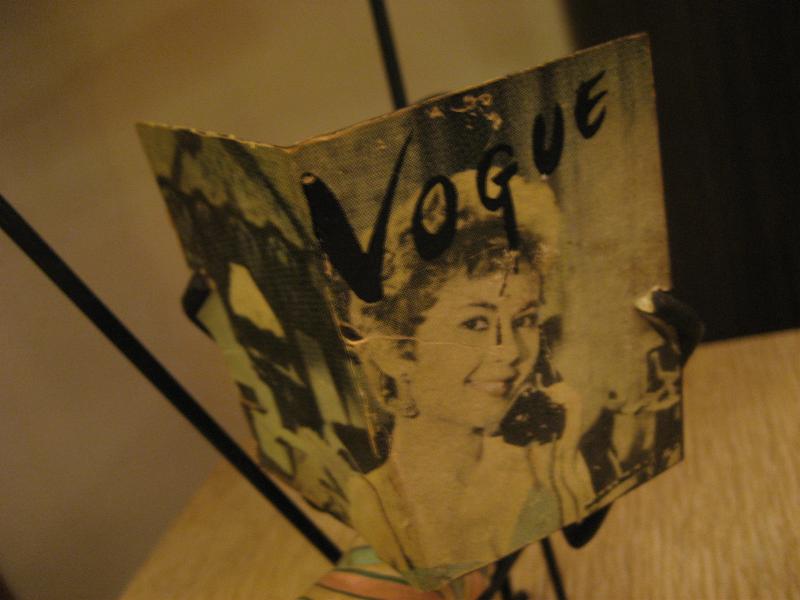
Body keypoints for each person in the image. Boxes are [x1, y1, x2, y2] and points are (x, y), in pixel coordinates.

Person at [333, 169, 596, 582]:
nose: (511, 352)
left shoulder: (545, 466)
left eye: (524, 320)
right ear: (396, 350)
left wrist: (563, 467)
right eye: (475, 323)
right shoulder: (372, 502)